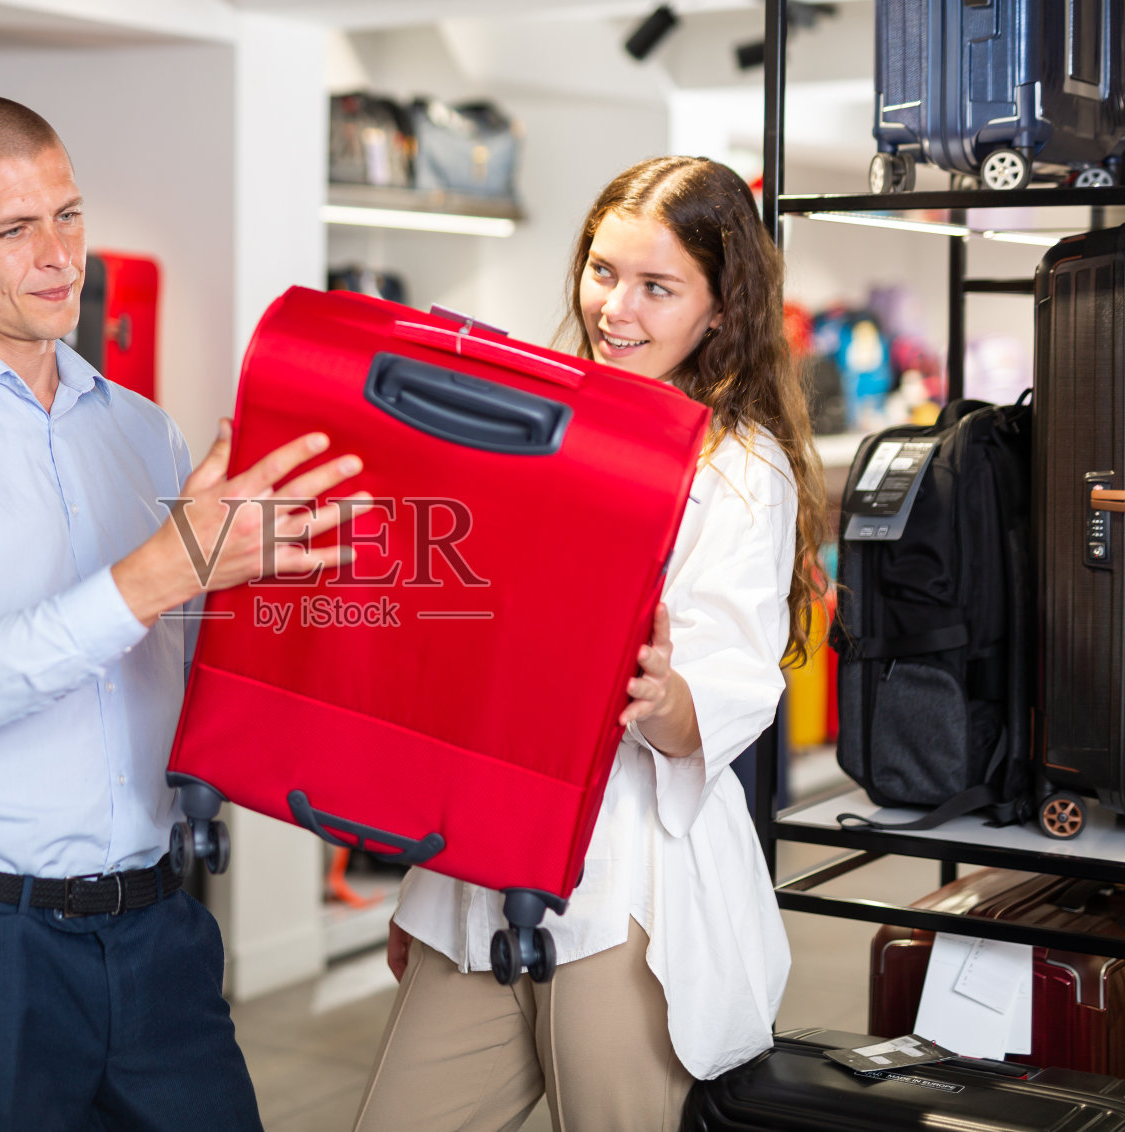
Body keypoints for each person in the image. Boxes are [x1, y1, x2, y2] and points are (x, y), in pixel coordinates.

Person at [0, 94, 364, 1132]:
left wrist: (277, 582)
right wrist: (168, 566)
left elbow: (193, 667)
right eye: (13, 229)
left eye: (68, 215)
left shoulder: (143, 430)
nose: (58, 256)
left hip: (158, 933)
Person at [353, 156, 827, 1132]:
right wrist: (422, 886)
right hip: (477, 873)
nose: (616, 308)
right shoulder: (536, 423)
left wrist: (663, 697)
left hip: (626, 893)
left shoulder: (739, 471)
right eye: (603, 271)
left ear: (720, 309)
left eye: (657, 287)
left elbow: (729, 689)